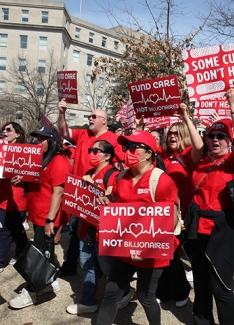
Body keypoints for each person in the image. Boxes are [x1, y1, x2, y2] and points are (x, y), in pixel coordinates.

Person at [96, 130, 179, 325]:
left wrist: (148, 248)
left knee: (145, 296)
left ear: (149, 153)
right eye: (126, 147)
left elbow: (171, 218)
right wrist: (107, 199)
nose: (127, 152)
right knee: (111, 292)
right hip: (125, 247)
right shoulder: (122, 175)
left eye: (133, 148)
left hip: (151, 251)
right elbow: (117, 200)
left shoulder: (161, 180)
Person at [185, 83, 234, 325]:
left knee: (220, 285)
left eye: (221, 136)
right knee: (200, 282)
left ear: (228, 140)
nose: (215, 140)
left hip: (222, 230)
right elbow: (196, 145)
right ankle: (202, 321)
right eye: (211, 135)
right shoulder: (202, 162)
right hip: (196, 227)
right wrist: (185, 117)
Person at [57, 99, 124, 276]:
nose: (90, 118)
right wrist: (62, 113)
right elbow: (63, 131)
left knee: (96, 233)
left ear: (104, 120)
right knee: (75, 229)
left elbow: (118, 167)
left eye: (94, 116)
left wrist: (109, 190)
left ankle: (100, 268)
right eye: (89, 116)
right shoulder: (83, 134)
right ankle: (71, 264)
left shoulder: (114, 139)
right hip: (78, 191)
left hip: (98, 193)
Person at [8, 126, 72, 309]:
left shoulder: (59, 161)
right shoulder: (39, 159)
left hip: (47, 216)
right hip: (36, 214)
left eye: (42, 139)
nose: (37, 142)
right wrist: (21, 180)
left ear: (52, 141)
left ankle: (32, 292)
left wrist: (51, 221)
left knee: (36, 255)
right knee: (44, 252)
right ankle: (48, 282)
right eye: (36, 138)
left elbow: (58, 193)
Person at [67, 140, 126, 315]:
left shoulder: (113, 175)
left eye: (96, 151)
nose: (92, 154)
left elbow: (112, 201)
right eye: (90, 150)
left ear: (107, 156)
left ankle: (125, 290)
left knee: (108, 268)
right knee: (86, 264)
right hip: (87, 230)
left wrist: (92, 184)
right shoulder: (88, 173)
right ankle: (87, 301)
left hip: (104, 233)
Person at [156, 103, 204, 307]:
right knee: (161, 252)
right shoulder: (161, 154)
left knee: (172, 253)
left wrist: (186, 117)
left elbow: (200, 147)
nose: (172, 136)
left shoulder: (187, 157)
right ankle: (165, 291)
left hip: (180, 215)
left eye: (176, 133)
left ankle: (181, 290)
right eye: (169, 133)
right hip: (158, 212)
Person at [0, 122, 28, 273]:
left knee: (5, 230)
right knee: (16, 230)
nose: (5, 131)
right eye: (3, 129)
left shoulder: (26, 151)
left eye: (8, 129)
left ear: (17, 134)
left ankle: (0, 261)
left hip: (18, 198)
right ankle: (22, 253)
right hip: (3, 196)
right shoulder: (0, 148)